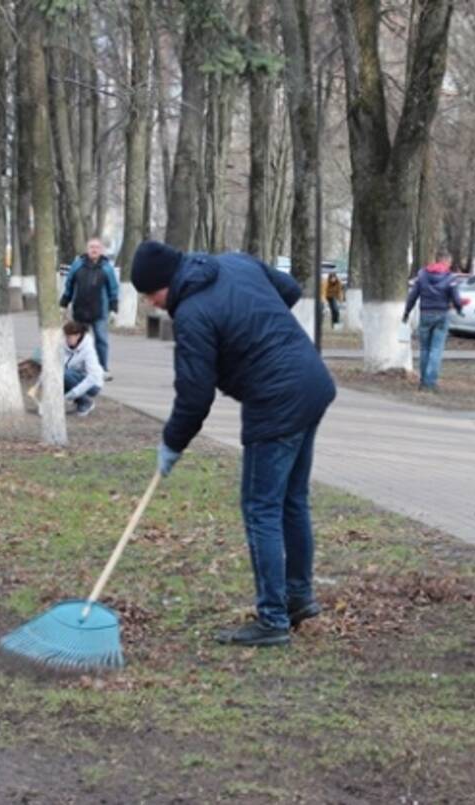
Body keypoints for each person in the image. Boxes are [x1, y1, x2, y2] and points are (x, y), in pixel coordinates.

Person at [131, 240, 336, 648]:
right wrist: (256, 326)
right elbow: (289, 289)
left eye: (151, 294)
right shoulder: (236, 263)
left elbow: (195, 396)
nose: (152, 303)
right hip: (311, 382)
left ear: (166, 283)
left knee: (262, 508)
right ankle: (298, 598)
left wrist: (172, 443)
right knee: (292, 501)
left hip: (276, 402)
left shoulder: (192, 314)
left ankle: (273, 619)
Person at [401, 255, 466, 392]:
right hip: (442, 315)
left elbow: (413, 295)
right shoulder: (450, 278)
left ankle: (423, 381)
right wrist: (459, 309)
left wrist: (406, 312)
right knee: (436, 349)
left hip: (425, 314)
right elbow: (456, 297)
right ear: (446, 262)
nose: (450, 265)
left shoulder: (422, 275)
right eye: (449, 262)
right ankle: (430, 383)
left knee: (424, 349)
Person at [60, 237, 119, 372]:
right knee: (77, 340)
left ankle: (102, 369)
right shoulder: (77, 265)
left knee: (101, 341)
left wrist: (114, 308)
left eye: (97, 247)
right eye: (91, 247)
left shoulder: (107, 268)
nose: (94, 250)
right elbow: (69, 284)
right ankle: (78, 367)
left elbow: (113, 289)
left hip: (99, 312)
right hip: (79, 311)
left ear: (101, 250)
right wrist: (64, 303)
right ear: (87, 249)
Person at [59, 320, 104, 416]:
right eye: (66, 336)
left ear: (78, 335)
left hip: (93, 385)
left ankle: (85, 402)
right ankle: (80, 401)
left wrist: (74, 393)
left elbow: (93, 377)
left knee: (64, 374)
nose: (67, 339)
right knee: (59, 375)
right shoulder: (64, 346)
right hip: (75, 378)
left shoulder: (88, 350)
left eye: (69, 337)